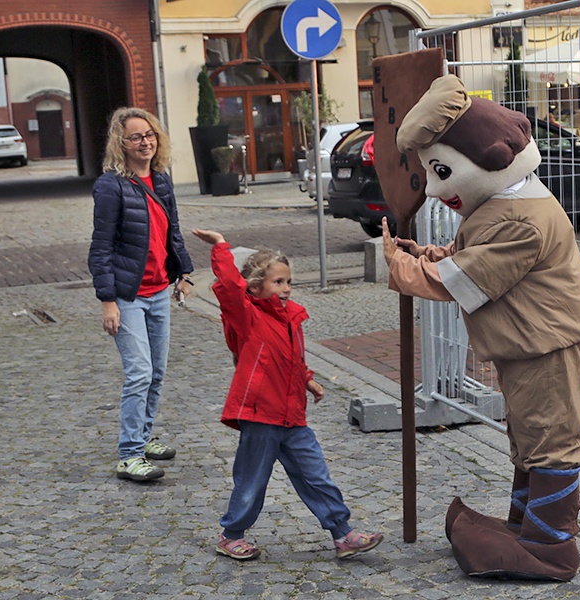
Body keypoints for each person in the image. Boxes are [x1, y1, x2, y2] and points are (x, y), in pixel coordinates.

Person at [381, 75, 580, 581]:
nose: (434, 189)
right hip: (528, 343)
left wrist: (402, 266)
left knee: (551, 439)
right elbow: (471, 256)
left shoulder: (520, 217)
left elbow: (467, 279)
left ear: (494, 158)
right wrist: (430, 254)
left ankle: (552, 546)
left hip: (547, 344)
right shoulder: (505, 203)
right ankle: (526, 526)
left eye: (441, 172)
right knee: (529, 438)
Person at [191, 228, 383, 561]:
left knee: (316, 476)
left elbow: (290, 358)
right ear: (256, 287)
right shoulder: (248, 317)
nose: (286, 289)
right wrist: (221, 247)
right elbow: (230, 289)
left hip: (292, 416)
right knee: (251, 482)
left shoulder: (291, 318)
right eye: (278, 282)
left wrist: (308, 380)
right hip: (260, 416)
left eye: (288, 282)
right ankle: (231, 536)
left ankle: (343, 534)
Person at [88, 107, 194, 482]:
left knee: (158, 372)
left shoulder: (161, 181)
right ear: (121, 143)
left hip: (159, 291)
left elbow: (172, 233)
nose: (144, 142)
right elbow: (100, 247)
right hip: (127, 295)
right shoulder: (111, 186)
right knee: (139, 373)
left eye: (149, 134)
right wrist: (107, 301)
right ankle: (129, 455)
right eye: (135, 136)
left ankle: (143, 437)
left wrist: (183, 273)